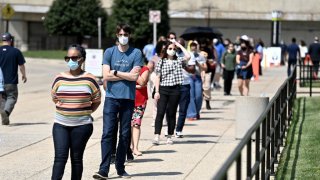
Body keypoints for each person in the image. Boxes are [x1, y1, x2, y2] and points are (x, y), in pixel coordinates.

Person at [93, 24, 143, 179]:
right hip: (111, 98)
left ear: (130, 35)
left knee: (125, 133)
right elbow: (106, 76)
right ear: (116, 35)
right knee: (107, 132)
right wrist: (124, 74)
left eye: (126, 34)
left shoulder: (136, 53)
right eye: (121, 34)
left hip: (128, 99)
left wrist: (115, 72)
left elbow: (135, 77)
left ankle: (120, 168)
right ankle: (104, 170)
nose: (123, 36)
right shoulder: (109, 52)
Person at [51, 44, 101, 180]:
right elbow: (55, 98)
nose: (71, 61)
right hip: (60, 125)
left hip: (82, 126)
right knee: (60, 159)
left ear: (82, 59)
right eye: (68, 58)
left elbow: (96, 100)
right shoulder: (59, 78)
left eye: (74, 57)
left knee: (76, 159)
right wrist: (68, 108)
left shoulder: (90, 79)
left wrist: (83, 112)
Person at [153, 39, 190, 145]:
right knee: (160, 112)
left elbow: (188, 56)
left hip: (175, 89)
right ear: (166, 50)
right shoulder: (161, 61)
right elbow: (158, 77)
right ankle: (157, 136)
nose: (172, 50)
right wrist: (157, 91)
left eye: (174, 49)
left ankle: (169, 136)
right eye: (170, 48)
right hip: (163, 89)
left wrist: (178, 45)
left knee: (171, 113)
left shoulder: (178, 60)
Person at [0, 32, 27, 125]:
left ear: (2, 41)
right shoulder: (16, 51)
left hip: (0, 81)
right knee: (12, 97)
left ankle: (4, 115)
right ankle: (6, 112)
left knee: (3, 98)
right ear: (10, 40)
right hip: (11, 81)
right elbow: (21, 65)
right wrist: (24, 75)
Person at [131, 61, 153, 155]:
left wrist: (134, 72)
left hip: (139, 101)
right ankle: (126, 148)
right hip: (126, 99)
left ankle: (135, 148)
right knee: (125, 125)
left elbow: (142, 83)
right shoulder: (124, 67)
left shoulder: (145, 69)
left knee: (136, 124)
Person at [186, 42, 207, 121]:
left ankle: (197, 112)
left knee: (198, 96)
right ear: (190, 47)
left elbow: (205, 68)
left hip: (198, 77)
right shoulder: (187, 54)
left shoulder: (200, 56)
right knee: (191, 96)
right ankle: (191, 114)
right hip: (189, 77)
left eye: (195, 46)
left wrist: (199, 64)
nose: (193, 47)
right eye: (192, 46)